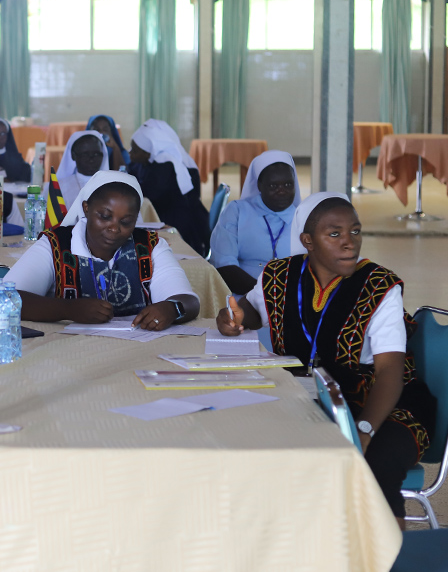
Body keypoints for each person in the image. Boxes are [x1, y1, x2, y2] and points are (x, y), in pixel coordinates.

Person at [215, 193, 436, 526]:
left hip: (382, 404)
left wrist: (363, 431)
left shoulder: (379, 287)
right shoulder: (279, 276)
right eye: (334, 234)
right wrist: (231, 318)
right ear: (308, 241)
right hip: (308, 399)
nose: (349, 243)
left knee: (375, 463)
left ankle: (382, 566)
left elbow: (391, 372)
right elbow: (249, 310)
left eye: (355, 232)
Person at [7, 170, 200, 327]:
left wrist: (172, 308)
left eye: (126, 221)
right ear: (86, 209)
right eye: (105, 216)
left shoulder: (150, 246)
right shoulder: (56, 244)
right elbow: (7, 298)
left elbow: (189, 302)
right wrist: (68, 309)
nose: (114, 228)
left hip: (135, 351)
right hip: (66, 353)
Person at [210, 151, 301, 294]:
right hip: (243, 297)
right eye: (273, 186)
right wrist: (264, 296)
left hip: (292, 300)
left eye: (288, 184)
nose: (282, 191)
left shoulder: (304, 218)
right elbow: (224, 266)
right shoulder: (237, 212)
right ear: (259, 185)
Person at [128, 119, 210, 256]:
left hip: (179, 225)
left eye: (135, 150)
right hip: (167, 215)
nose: (130, 153)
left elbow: (148, 194)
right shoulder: (149, 161)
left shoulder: (165, 165)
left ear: (149, 152)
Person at [56, 130, 110, 204]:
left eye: (96, 154)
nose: (91, 159)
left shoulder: (111, 186)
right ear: (73, 155)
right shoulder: (59, 188)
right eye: (85, 154)